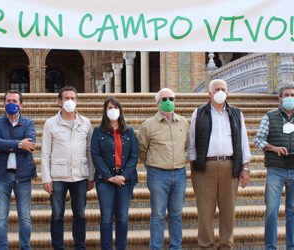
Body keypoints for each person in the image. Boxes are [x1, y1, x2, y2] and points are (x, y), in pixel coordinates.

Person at [187, 79, 251, 249]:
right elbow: (192, 142)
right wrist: (194, 168)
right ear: (210, 93)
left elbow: (243, 141)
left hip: (229, 166)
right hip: (205, 167)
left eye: (223, 89)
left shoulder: (236, 113)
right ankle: (206, 245)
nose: (220, 91)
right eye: (217, 89)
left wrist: (245, 168)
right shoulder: (199, 113)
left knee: (228, 211)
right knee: (205, 211)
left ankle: (226, 244)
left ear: (228, 93)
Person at [41, 85, 94, 250]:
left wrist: (91, 175)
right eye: (66, 98)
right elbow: (45, 153)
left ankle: (80, 246)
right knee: (57, 215)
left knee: (80, 214)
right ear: (59, 102)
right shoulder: (50, 123)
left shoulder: (85, 122)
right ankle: (58, 247)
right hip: (58, 177)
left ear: (77, 101)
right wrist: (46, 178)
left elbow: (89, 150)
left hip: (80, 175)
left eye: (72, 98)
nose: (69, 101)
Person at [137, 88, 189, 250]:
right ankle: (156, 247)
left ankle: (175, 246)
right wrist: (152, 164)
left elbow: (186, 145)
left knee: (176, 215)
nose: (168, 102)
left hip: (180, 174)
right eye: (164, 99)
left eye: (171, 99)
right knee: (158, 215)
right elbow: (141, 149)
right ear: (157, 103)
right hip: (157, 174)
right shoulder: (148, 125)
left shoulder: (183, 122)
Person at [0, 90, 37, 250]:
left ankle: (26, 247)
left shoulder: (29, 123)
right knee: (1, 217)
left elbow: (30, 146)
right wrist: (19, 144)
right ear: (4, 104)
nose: (11, 104)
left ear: (21, 105)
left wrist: (5, 145)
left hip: (22, 175)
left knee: (25, 217)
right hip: (2, 175)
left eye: (15, 101)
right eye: (8, 100)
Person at [91, 97, 138, 250]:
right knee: (106, 217)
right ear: (105, 111)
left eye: (116, 107)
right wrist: (109, 176)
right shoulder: (98, 131)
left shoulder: (129, 131)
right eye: (110, 107)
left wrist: (123, 175)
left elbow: (133, 156)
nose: (113, 110)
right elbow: (95, 155)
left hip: (125, 179)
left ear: (120, 110)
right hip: (105, 180)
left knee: (123, 217)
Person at [254, 84, 294, 250]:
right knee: (272, 211)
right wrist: (274, 148)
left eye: (292, 94)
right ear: (280, 98)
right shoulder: (270, 116)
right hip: (276, 170)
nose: (290, 98)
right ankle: (270, 246)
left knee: (292, 211)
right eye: (286, 95)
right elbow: (258, 140)